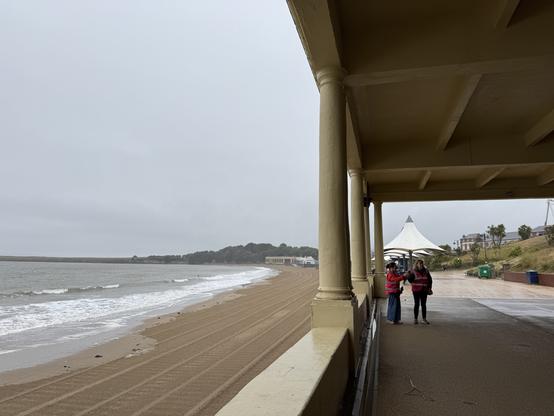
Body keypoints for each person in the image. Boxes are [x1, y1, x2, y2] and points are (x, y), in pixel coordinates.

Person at [407, 259, 433, 324]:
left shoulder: (426, 271)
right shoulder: (413, 271)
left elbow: (430, 280)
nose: (421, 264)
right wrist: (409, 275)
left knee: (423, 305)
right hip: (416, 291)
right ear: (416, 264)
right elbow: (410, 280)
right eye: (419, 263)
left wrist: (429, 288)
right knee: (417, 304)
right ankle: (415, 319)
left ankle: (424, 319)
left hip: (424, 290)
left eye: (422, 263)